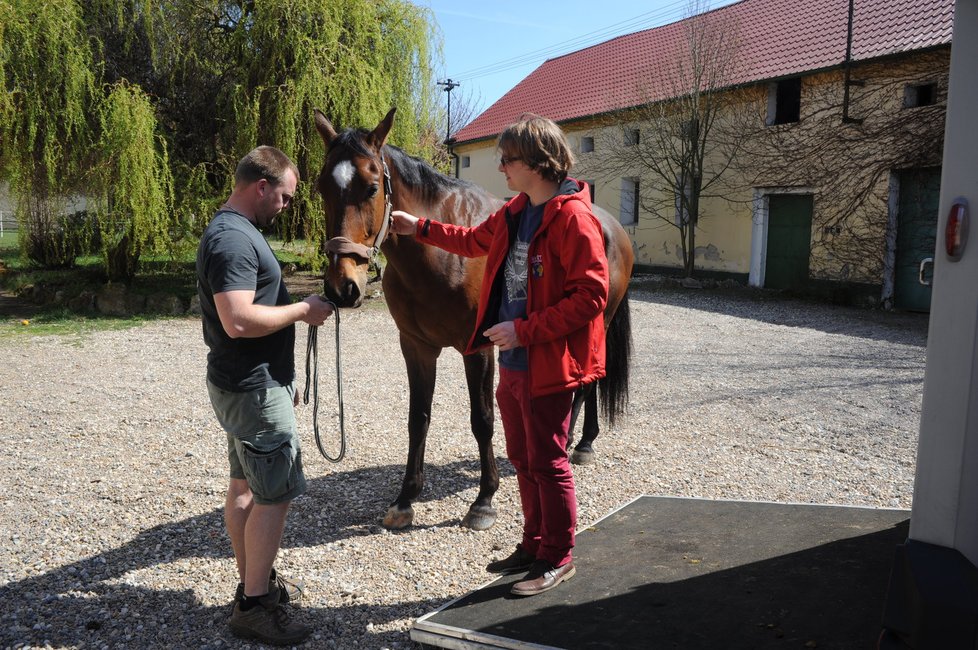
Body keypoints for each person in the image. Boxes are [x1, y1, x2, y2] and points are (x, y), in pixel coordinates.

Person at [390, 114, 609, 596]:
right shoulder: (515, 212)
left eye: (507, 159)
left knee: (550, 460)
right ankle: (533, 544)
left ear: (536, 161)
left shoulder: (574, 218)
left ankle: (558, 556)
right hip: (512, 360)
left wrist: (524, 329)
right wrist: (417, 226)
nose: (502, 167)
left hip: (548, 361)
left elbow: (591, 296)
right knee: (521, 457)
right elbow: (471, 241)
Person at [196, 145, 333, 644]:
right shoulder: (234, 241)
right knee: (274, 496)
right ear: (262, 186)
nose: (286, 205)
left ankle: (252, 581)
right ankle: (254, 604)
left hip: (240, 385)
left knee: (245, 488)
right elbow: (237, 319)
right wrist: (302, 311)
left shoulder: (232, 230)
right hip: (252, 392)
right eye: (286, 196)